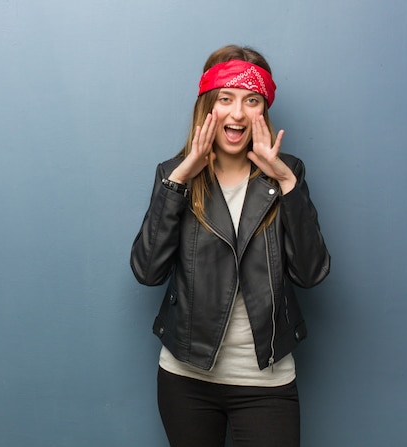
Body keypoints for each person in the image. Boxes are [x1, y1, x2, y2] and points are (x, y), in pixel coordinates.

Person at [129, 45, 331, 447]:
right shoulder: (174, 175)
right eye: (226, 99)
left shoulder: (288, 174)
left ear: (263, 111)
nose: (238, 113)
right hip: (185, 380)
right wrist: (180, 181)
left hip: (266, 380)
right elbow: (147, 271)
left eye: (251, 100)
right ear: (208, 107)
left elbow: (311, 274)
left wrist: (288, 186)